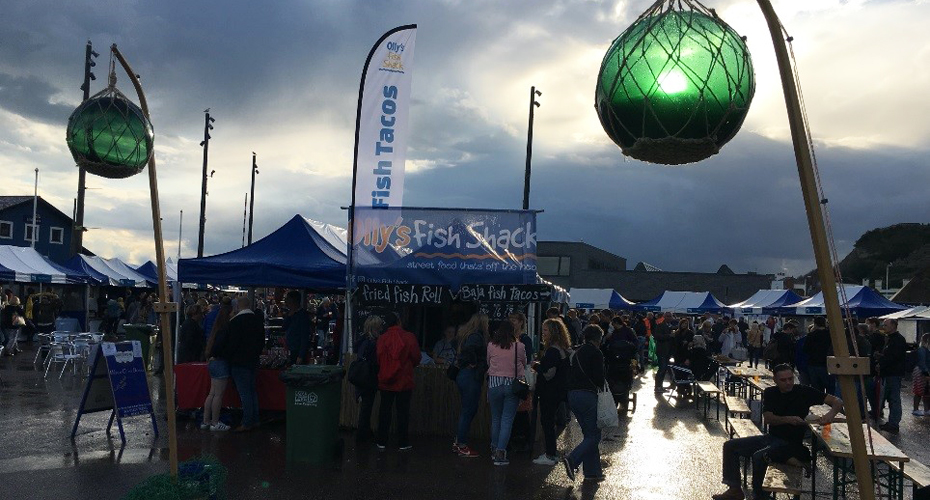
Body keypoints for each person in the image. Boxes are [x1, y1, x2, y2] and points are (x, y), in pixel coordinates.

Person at [713, 364, 843, 500]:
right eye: (783, 380)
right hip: (772, 438)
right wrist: (788, 419)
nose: (788, 383)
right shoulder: (771, 393)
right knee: (730, 446)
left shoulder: (803, 391)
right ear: (775, 380)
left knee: (759, 456)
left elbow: (837, 401)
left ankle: (760, 496)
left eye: (790, 379)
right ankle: (734, 490)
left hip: (791, 443)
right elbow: (768, 418)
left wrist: (830, 415)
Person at [562, 325, 606, 481]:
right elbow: (599, 379)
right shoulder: (596, 353)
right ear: (598, 339)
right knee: (594, 435)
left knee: (589, 434)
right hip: (587, 395)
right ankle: (573, 459)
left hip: (572, 395)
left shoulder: (576, 352)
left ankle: (592, 473)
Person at [376, 312, 420, 450]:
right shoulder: (409, 337)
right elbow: (416, 357)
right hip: (404, 380)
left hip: (385, 380)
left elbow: (378, 359)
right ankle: (403, 442)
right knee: (403, 412)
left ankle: (381, 441)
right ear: (399, 322)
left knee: (384, 411)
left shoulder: (382, 338)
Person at [485, 320, 526, 466]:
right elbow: (524, 362)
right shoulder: (519, 346)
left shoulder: (491, 345)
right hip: (512, 385)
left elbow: (488, 362)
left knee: (496, 418)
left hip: (494, 383)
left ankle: (494, 448)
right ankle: (500, 453)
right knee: (507, 419)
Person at [532, 318, 571, 466]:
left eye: (546, 330)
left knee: (547, 422)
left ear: (554, 332)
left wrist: (536, 366)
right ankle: (551, 453)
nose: (543, 333)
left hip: (550, 391)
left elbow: (548, 373)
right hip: (560, 390)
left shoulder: (553, 350)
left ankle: (550, 454)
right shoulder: (563, 348)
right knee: (550, 422)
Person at [224, 297, 265, 432]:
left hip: (239, 362)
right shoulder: (258, 321)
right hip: (254, 361)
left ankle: (247, 422)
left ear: (237, 306)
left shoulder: (235, 322)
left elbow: (231, 344)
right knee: (252, 391)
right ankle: (256, 419)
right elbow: (261, 343)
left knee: (245, 393)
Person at [451, 312, 489, 458]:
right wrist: (473, 362)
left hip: (462, 375)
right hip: (470, 376)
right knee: (469, 410)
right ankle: (461, 444)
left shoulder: (464, 334)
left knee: (467, 409)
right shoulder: (476, 336)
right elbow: (469, 350)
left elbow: (456, 345)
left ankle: (458, 441)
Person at [201, 300, 233, 431]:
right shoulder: (226, 329)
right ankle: (215, 422)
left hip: (213, 362)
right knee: (218, 395)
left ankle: (206, 421)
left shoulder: (216, 329)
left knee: (212, 393)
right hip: (220, 363)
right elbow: (221, 348)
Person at [353, 315, 383, 443]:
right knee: (367, 407)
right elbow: (375, 362)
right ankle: (362, 436)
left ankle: (365, 432)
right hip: (369, 378)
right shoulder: (373, 344)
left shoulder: (361, 340)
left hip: (361, 377)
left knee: (365, 406)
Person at [876, 318, 906, 433]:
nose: (884, 327)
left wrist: (882, 362)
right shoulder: (889, 339)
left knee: (894, 399)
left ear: (894, 326)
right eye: (884, 325)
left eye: (886, 325)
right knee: (890, 398)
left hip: (893, 373)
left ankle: (894, 424)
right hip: (889, 373)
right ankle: (892, 422)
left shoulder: (897, 340)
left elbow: (893, 357)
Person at [803, 317, 834, 394]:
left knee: (816, 388)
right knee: (830, 386)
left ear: (815, 324)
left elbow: (805, 349)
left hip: (813, 364)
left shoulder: (811, 335)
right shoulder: (830, 335)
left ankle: (819, 403)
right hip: (828, 364)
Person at [283, 291, 312, 365]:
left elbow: (304, 336)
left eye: (288, 300)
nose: (286, 302)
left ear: (294, 301)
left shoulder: (303, 316)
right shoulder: (288, 314)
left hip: (297, 350)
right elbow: (283, 328)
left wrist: (301, 355)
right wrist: (289, 316)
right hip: (289, 349)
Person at [653, 312, 674, 394]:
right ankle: (657, 386)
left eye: (670, 316)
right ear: (664, 317)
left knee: (664, 369)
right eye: (667, 316)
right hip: (661, 350)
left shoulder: (670, 326)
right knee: (661, 369)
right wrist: (669, 336)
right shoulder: (660, 325)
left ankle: (660, 386)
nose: (669, 318)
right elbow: (657, 336)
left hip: (668, 351)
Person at [913, 333, 930, 416]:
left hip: (922, 370)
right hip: (921, 371)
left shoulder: (924, 349)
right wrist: (926, 373)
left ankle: (926, 409)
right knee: (920, 391)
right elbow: (922, 362)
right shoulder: (922, 350)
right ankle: (916, 409)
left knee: (925, 391)